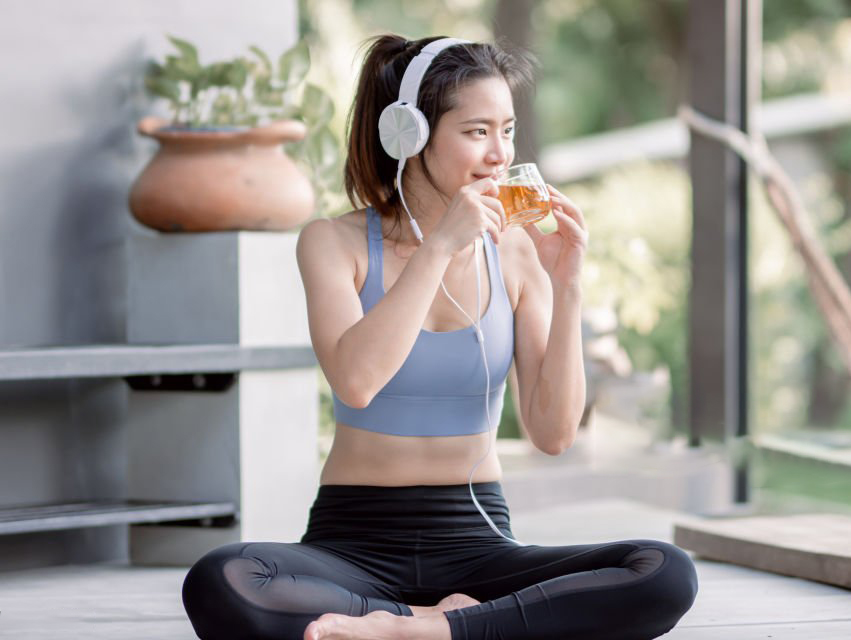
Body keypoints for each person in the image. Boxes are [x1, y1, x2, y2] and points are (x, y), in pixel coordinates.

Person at [181, 33, 698, 640]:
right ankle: (455, 625)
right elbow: (357, 379)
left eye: (507, 130)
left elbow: (554, 433)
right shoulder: (333, 243)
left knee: (665, 572)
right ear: (410, 134)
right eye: (477, 131)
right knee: (221, 579)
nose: (499, 154)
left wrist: (569, 282)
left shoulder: (515, 253)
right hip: (352, 543)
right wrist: (442, 244)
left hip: (477, 541)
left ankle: (422, 630)